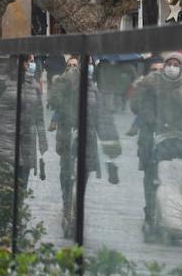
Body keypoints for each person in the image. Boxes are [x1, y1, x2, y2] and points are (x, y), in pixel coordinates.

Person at [48, 55, 121, 238]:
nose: (88, 67)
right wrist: (65, 81)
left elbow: (103, 119)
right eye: (85, 63)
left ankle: (75, 209)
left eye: (90, 64)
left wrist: (112, 149)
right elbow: (54, 100)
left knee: (82, 178)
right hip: (68, 137)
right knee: (67, 175)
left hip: (87, 140)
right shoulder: (66, 82)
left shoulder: (94, 89)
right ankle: (67, 208)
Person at [129, 51, 182, 241]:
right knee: (153, 176)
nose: (172, 67)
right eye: (170, 63)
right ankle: (151, 214)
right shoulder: (151, 83)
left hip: (181, 137)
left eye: (176, 64)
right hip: (155, 135)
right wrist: (150, 118)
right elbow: (136, 104)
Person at [0, 58, 47, 197]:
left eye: (32, 61)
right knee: (7, 185)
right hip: (6, 144)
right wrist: (0, 129)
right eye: (28, 61)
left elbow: (38, 115)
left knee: (21, 188)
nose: (30, 65)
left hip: (27, 145)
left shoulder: (33, 85)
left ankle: (17, 215)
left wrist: (42, 140)